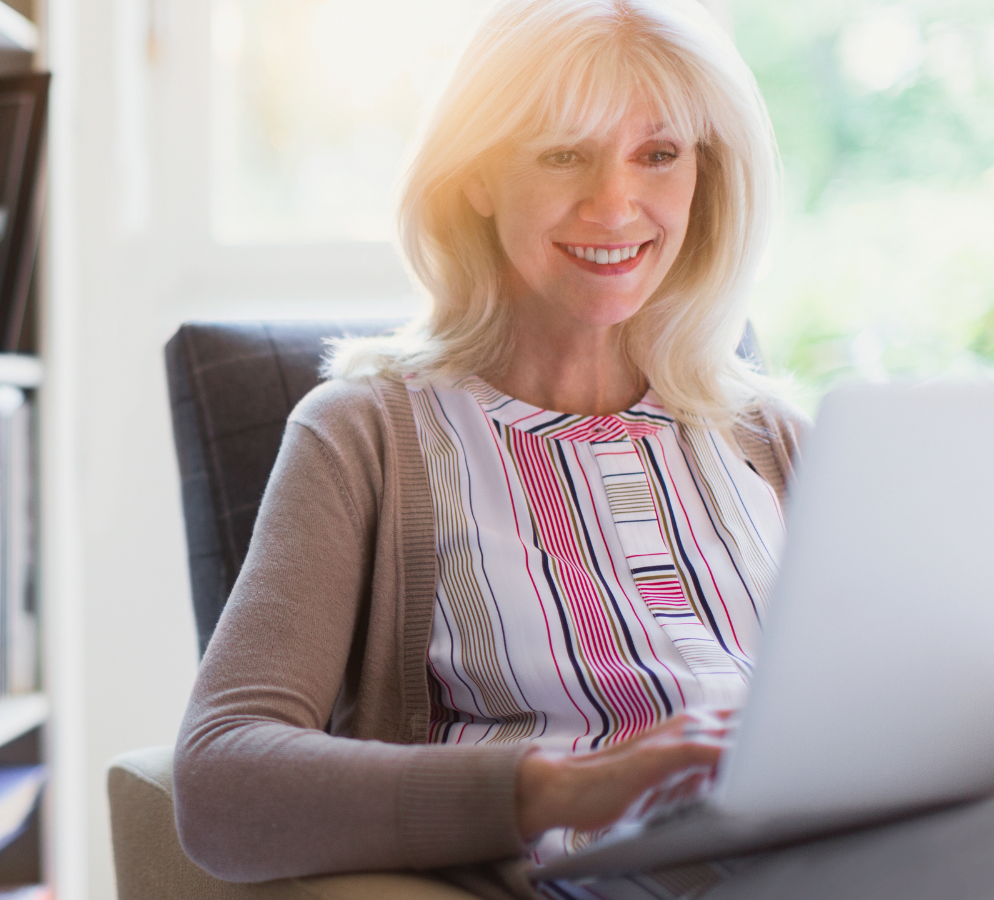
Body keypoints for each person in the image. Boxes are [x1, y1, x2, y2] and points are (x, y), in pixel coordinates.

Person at [172, 0, 807, 898]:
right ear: (475, 176)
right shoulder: (365, 432)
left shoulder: (777, 438)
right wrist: (558, 787)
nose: (614, 204)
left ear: (706, 177)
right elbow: (222, 783)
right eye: (562, 154)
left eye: (658, 154)